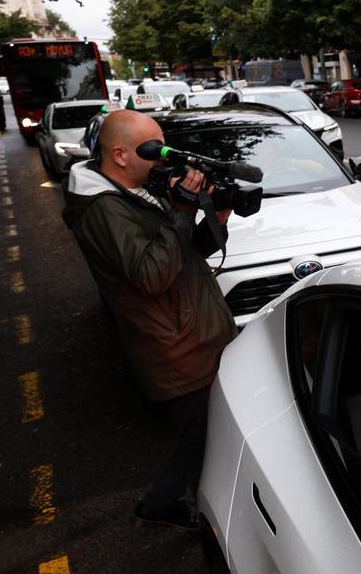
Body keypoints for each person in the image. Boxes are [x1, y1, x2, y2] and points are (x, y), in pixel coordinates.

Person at [62, 109, 237, 530]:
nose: (164, 155)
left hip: (190, 333)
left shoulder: (133, 192)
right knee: (202, 435)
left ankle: (167, 503)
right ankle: (204, 520)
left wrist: (213, 219)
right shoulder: (103, 209)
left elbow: (181, 259)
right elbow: (153, 275)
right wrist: (178, 212)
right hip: (173, 346)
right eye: (154, 148)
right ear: (120, 155)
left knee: (199, 433)